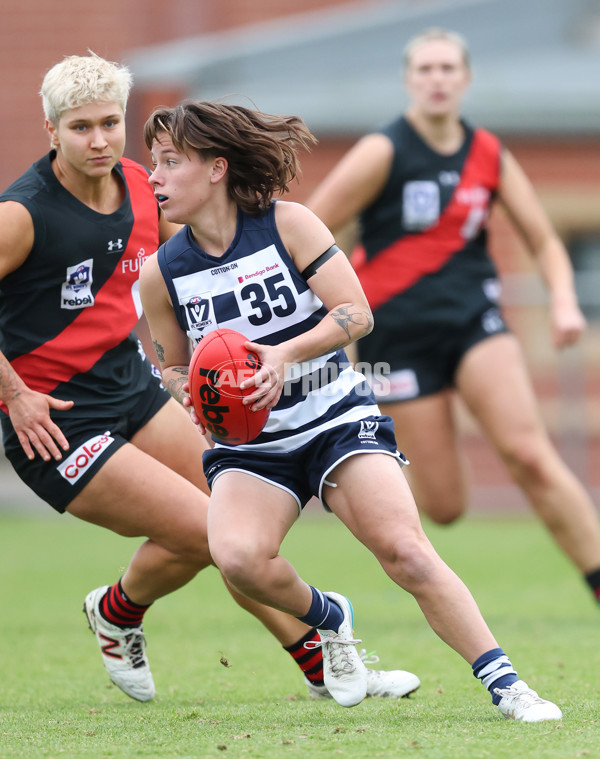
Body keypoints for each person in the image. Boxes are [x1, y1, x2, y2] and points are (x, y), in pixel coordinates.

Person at [0, 53, 420, 706]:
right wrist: (15, 394)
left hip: (133, 386)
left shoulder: (145, 187)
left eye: (110, 122)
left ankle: (325, 668)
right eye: (80, 127)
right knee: (206, 531)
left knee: (230, 522)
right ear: (51, 129)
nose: (100, 139)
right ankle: (117, 611)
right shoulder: (21, 215)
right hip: (53, 416)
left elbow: (198, 255)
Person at [139, 98, 562, 722]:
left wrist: (283, 357)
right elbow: (174, 365)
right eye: (153, 164)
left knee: (407, 552)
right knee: (238, 559)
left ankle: (508, 687)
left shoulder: (289, 225)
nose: (154, 177)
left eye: (170, 162)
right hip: (251, 446)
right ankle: (330, 617)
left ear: (216, 168)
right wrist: (194, 394)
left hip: (336, 418)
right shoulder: (161, 272)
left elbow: (356, 313)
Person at [305, 28, 600, 603]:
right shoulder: (383, 150)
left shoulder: (487, 152)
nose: (437, 79)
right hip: (398, 336)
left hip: (475, 323)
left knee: (529, 453)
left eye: (447, 69)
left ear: (465, 79)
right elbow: (310, 235)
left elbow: (543, 240)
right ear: (408, 80)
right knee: (444, 506)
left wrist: (563, 300)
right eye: (425, 69)